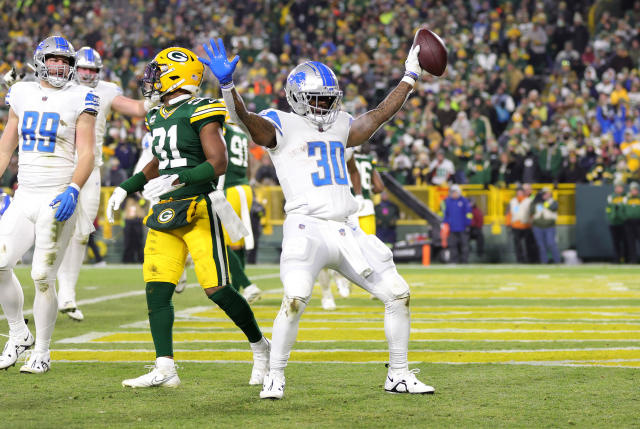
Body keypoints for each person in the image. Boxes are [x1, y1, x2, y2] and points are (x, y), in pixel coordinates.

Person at [200, 38, 434, 398]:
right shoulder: (281, 123)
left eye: (329, 98)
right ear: (296, 97)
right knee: (294, 298)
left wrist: (410, 75)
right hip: (306, 227)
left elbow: (378, 115)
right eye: (317, 99)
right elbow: (243, 119)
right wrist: (228, 87)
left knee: (398, 293)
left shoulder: (340, 123)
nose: (325, 105)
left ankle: (398, 375)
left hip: (346, 228)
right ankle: (275, 375)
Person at [106, 47, 269, 388]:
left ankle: (260, 346)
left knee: (218, 290)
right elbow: (159, 162)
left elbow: (217, 162)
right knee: (157, 290)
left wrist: (183, 178)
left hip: (198, 206)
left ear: (177, 76)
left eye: (157, 72)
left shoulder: (200, 108)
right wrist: (128, 186)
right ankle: (165, 369)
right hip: (165, 209)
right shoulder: (157, 114)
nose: (150, 79)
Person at [0, 36, 97, 373]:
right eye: (54, 60)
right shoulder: (21, 93)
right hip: (24, 194)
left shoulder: (80, 97)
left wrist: (73, 188)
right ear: (41, 60)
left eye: (65, 62)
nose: (60, 67)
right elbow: (4, 148)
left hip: (57, 197)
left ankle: (42, 350)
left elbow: (87, 153)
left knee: (42, 276)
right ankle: (18, 333)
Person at [56, 46, 158, 321]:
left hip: (90, 167)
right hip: (58, 166)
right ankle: (47, 284)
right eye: (84, 69)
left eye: (92, 70)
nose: (88, 74)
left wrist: (155, 97)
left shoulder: (107, 90)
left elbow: (137, 109)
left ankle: (67, 293)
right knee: (53, 228)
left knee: (81, 233)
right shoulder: (60, 86)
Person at [441, 185, 472, 263]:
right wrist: (445, 224)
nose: (454, 194)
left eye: (455, 192)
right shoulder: (448, 201)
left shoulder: (464, 201)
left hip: (463, 227)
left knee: (464, 246)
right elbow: (446, 214)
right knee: (452, 245)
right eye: (452, 192)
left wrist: (468, 224)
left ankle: (464, 261)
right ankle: (453, 261)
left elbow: (468, 213)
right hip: (452, 228)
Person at [530, 187, 561, 263]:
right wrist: (534, 200)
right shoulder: (537, 202)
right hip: (537, 226)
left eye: (548, 193)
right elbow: (532, 211)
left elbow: (552, 208)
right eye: (544, 194)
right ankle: (544, 262)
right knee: (541, 246)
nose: (546, 195)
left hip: (549, 226)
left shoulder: (553, 202)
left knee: (551, 243)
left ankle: (557, 261)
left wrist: (544, 202)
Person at [506, 186, 534, 263]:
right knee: (517, 245)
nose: (519, 193)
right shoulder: (512, 201)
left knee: (528, 244)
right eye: (518, 192)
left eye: (521, 192)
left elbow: (532, 212)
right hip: (515, 225)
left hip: (526, 225)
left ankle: (529, 259)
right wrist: (508, 223)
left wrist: (532, 222)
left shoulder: (529, 200)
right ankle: (520, 260)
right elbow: (509, 213)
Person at [606, 181, 627, 263]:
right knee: (616, 242)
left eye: (620, 187)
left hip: (624, 222)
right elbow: (608, 209)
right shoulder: (611, 197)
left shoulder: (626, 197)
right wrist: (611, 217)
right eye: (617, 187)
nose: (619, 189)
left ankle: (626, 258)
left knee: (626, 242)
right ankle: (616, 259)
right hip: (614, 223)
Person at [622, 182, 640, 263]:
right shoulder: (626, 199)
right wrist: (625, 218)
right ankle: (633, 259)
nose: (634, 192)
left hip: (639, 222)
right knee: (631, 242)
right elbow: (622, 210)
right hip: (629, 222)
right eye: (632, 190)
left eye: (635, 190)